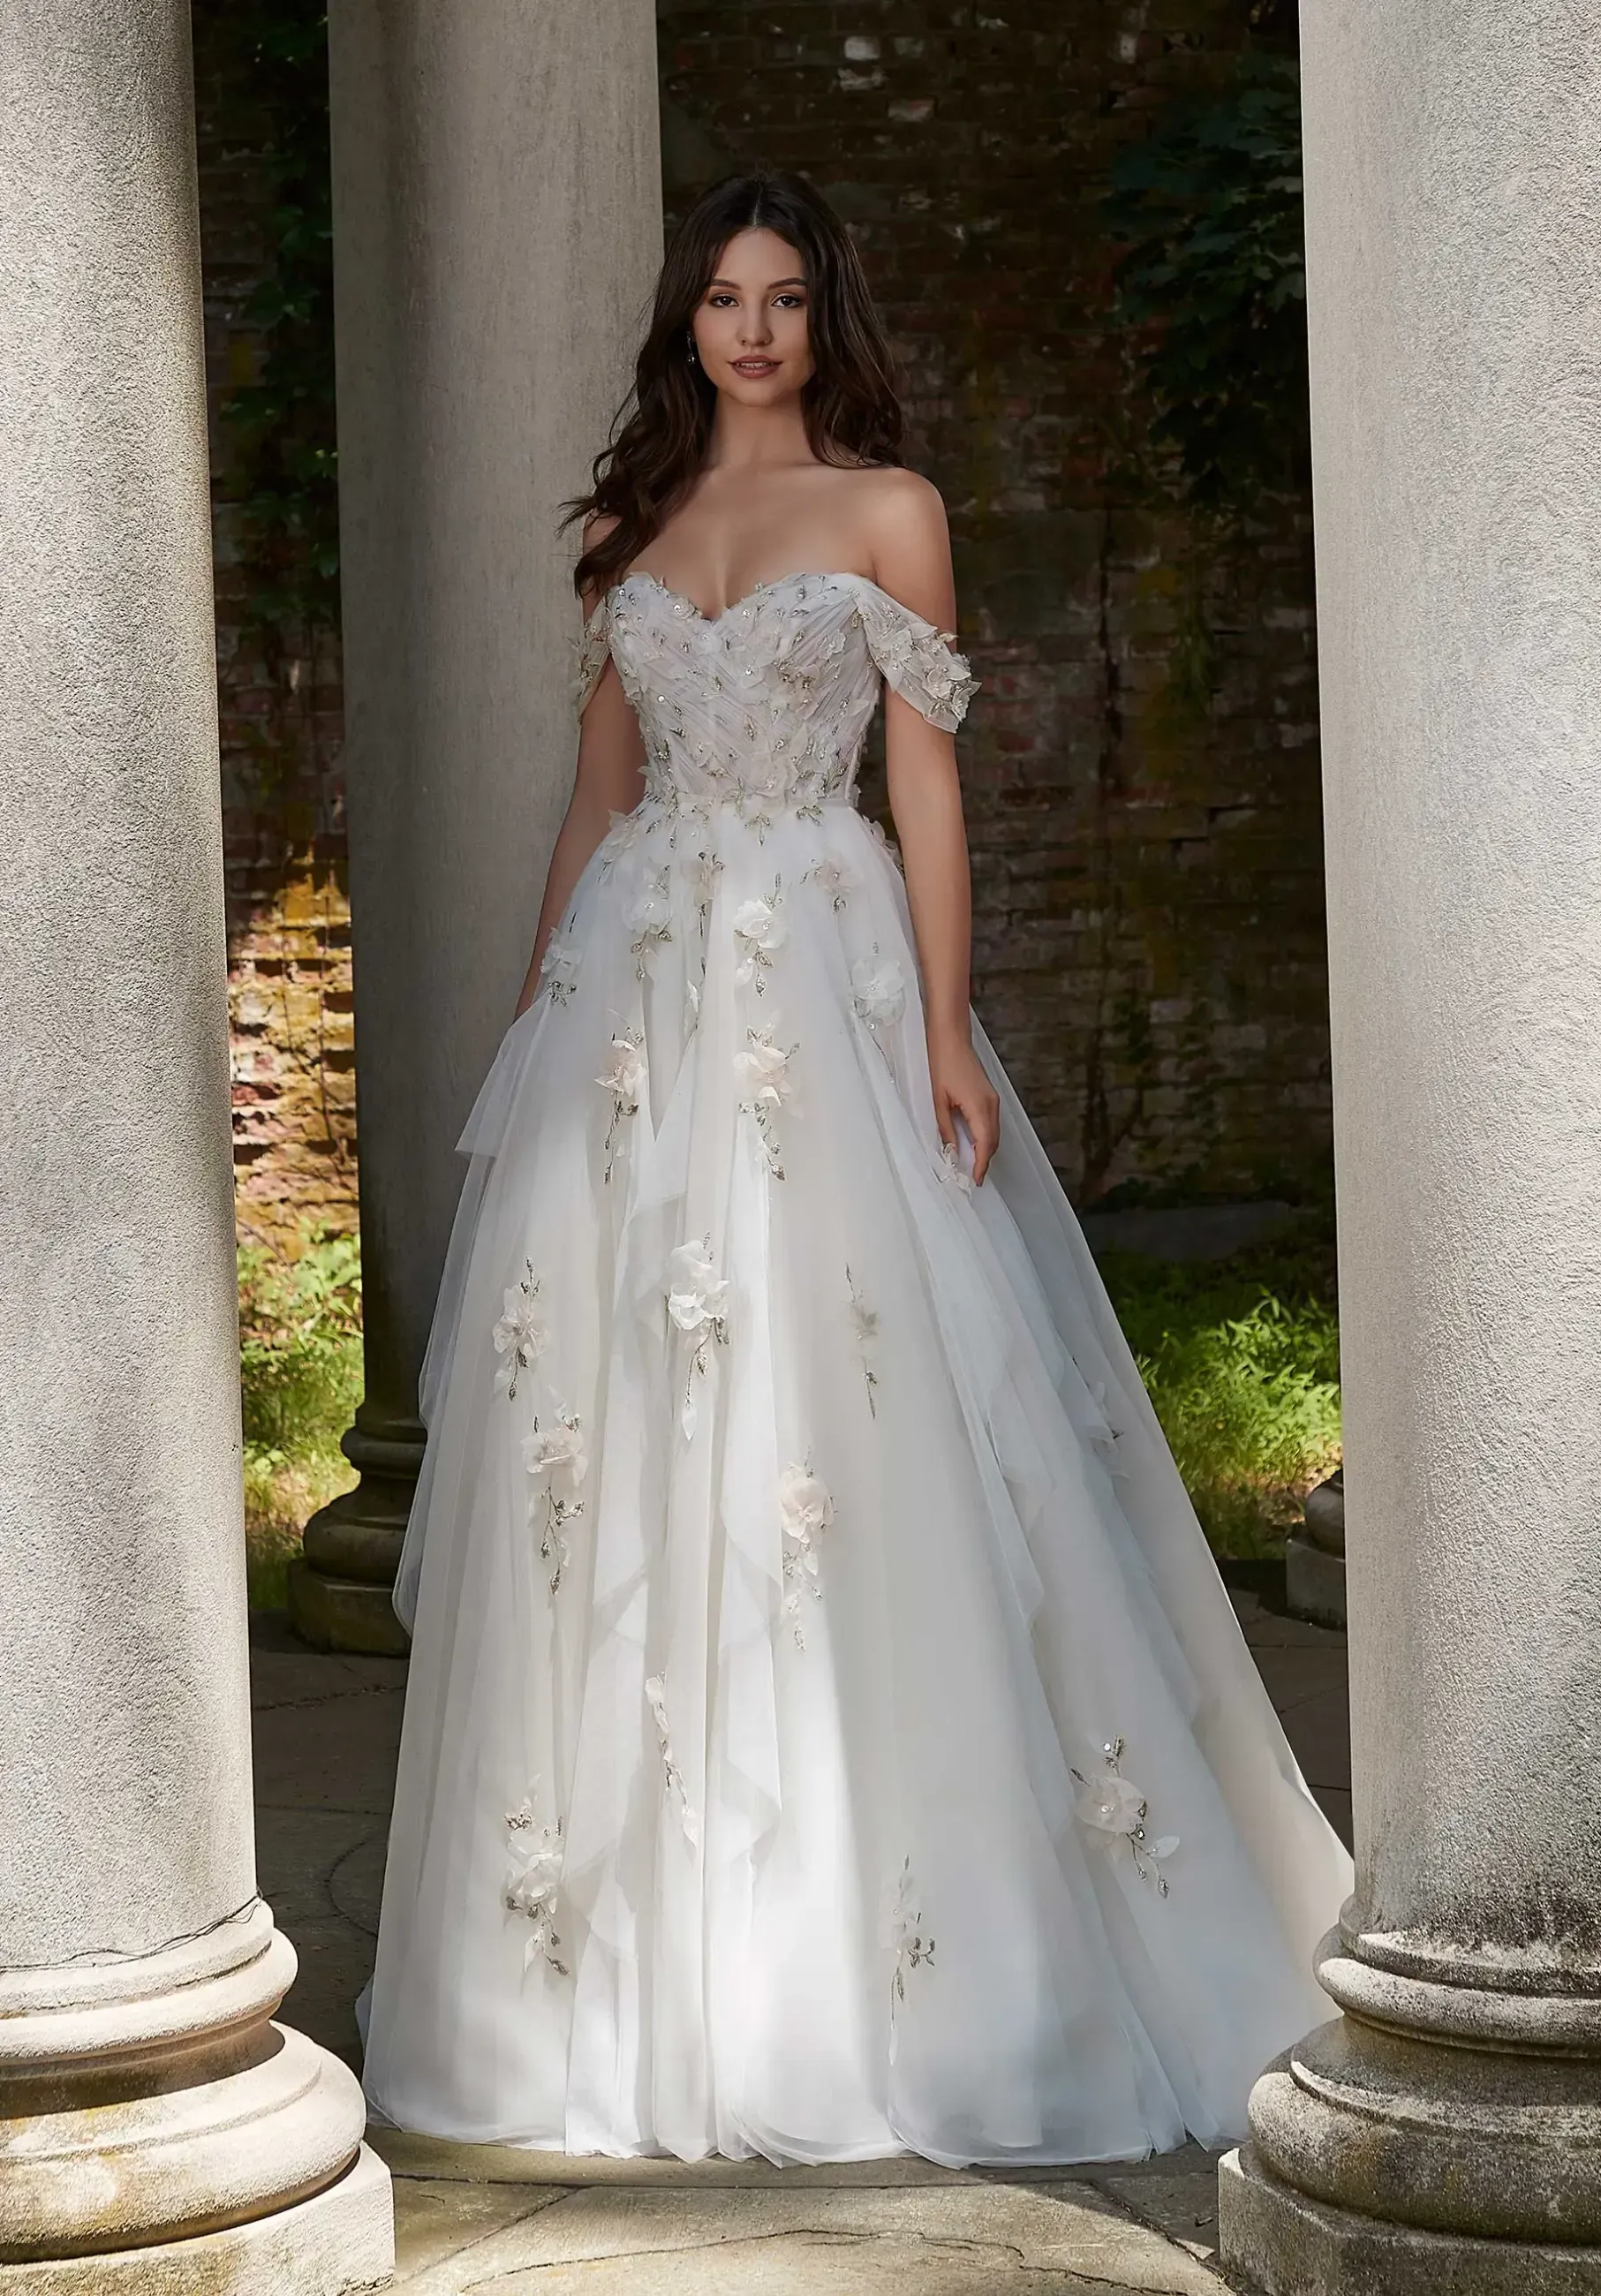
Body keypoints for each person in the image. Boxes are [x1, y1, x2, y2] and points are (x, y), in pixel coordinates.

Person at [360, 169, 1351, 2168]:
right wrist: (543, 1026)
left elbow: (924, 791)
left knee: (859, 1417)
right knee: (615, 1440)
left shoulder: (892, 514)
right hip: (637, 1009)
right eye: (722, 298)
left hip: (820, 966)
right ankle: (625, 1979)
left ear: (826, 322)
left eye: (784, 298)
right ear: (687, 322)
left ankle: (913, 1945)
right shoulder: (626, 536)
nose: (750, 329)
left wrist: (944, 1022)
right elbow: (594, 801)